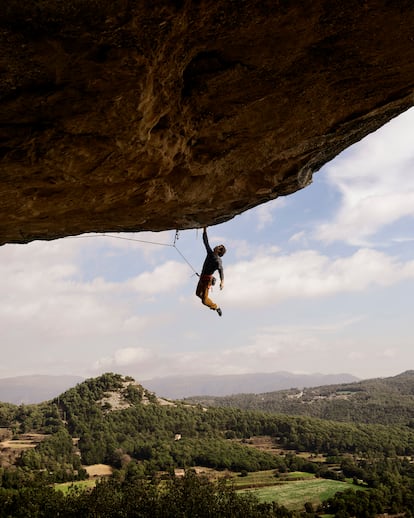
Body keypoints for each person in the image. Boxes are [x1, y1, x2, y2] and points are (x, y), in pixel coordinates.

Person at [196, 227, 226, 316]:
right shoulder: (210, 253)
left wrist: (222, 282)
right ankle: (211, 303)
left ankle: (216, 307)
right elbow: (206, 242)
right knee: (198, 294)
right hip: (202, 277)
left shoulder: (218, 260)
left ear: (219, 251)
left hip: (207, 280)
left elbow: (221, 270)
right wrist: (205, 229)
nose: (217, 246)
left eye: (219, 246)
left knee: (204, 301)